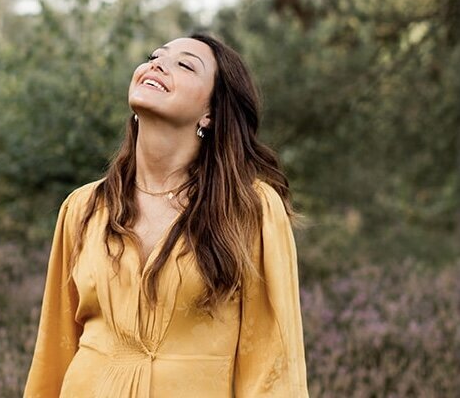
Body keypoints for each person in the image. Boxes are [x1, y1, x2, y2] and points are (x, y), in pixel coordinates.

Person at [23, 33, 309, 397]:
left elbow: (273, 362)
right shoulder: (83, 207)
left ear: (211, 112)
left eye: (185, 64)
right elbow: (54, 350)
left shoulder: (250, 208)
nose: (157, 64)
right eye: (155, 56)